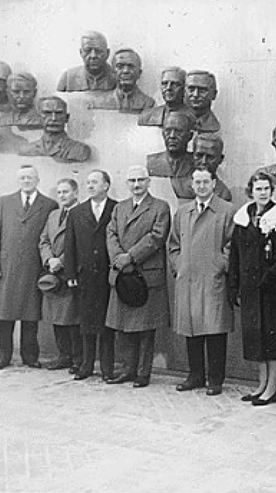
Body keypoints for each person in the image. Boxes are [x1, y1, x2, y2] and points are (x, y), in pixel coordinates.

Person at [229, 171, 276, 405]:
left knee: (273, 335)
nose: (262, 193)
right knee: (255, 336)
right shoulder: (243, 217)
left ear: (272, 191)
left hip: (273, 289)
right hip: (250, 287)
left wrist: (272, 274)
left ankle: (272, 387)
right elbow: (236, 254)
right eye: (258, 189)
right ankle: (261, 384)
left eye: (266, 189)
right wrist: (234, 285)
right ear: (251, 191)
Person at [169, 168, 236, 396]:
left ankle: (215, 379)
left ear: (214, 183)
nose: (201, 186)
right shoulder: (183, 212)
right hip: (188, 279)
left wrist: (220, 264)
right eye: (197, 182)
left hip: (213, 278)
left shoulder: (226, 211)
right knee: (191, 328)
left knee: (215, 329)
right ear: (191, 185)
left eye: (205, 182)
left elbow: (232, 245)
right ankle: (195, 375)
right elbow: (173, 244)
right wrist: (179, 266)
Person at [0, 165, 58, 370]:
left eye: (30, 177)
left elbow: (49, 237)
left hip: (32, 267)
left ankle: (30, 356)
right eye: (23, 178)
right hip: (6, 267)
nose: (26, 181)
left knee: (30, 315)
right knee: (4, 315)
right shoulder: (4, 202)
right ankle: (3, 357)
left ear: (37, 179)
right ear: (18, 180)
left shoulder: (48, 204)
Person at [105, 166, 171, 388]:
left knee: (145, 328)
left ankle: (143, 373)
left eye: (140, 180)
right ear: (126, 184)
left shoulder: (160, 207)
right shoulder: (119, 208)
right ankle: (126, 369)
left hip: (144, 275)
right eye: (132, 180)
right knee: (123, 326)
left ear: (148, 182)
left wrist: (131, 257)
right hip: (122, 274)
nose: (136, 185)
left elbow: (157, 237)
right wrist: (118, 258)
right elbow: (111, 233)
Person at [64, 170, 118, 381]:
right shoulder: (77, 212)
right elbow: (70, 245)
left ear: (106, 185)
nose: (91, 186)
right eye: (88, 183)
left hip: (107, 274)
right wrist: (70, 273)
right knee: (86, 322)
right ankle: (86, 366)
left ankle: (107, 368)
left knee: (107, 323)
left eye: (95, 182)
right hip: (84, 275)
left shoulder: (117, 208)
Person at [39, 178, 81, 372]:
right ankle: (63, 356)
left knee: (72, 318)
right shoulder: (53, 215)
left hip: (71, 272)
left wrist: (62, 261)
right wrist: (49, 260)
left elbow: (81, 244)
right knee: (57, 318)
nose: (62, 196)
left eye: (66, 192)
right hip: (53, 273)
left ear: (75, 193)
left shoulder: (82, 213)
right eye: (59, 192)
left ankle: (77, 359)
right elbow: (44, 240)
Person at [19, 96, 91, 163]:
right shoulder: (26, 150)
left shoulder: (80, 150)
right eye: (47, 113)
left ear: (66, 118)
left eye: (59, 113)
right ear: (38, 118)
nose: (54, 118)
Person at [146, 111, 196, 199]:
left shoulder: (196, 163)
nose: (172, 136)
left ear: (190, 136)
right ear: (162, 134)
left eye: (178, 131)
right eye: (168, 131)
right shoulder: (152, 162)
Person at [169, 133, 233, 202]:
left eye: (210, 157)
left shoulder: (222, 194)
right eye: (199, 155)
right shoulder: (177, 183)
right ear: (192, 156)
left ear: (220, 159)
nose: (203, 161)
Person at [92, 48, 155, 113]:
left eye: (131, 66)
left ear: (139, 73)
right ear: (112, 72)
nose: (125, 71)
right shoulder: (101, 101)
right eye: (120, 66)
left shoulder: (148, 103)